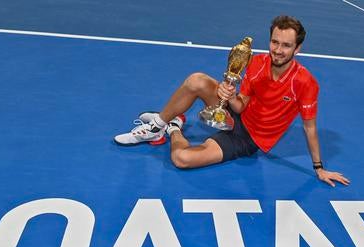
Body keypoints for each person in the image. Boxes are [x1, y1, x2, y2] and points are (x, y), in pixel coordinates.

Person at [114, 15, 350, 187]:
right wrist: (229, 95)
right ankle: (157, 126)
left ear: (297, 49)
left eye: (286, 45)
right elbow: (240, 106)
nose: (278, 50)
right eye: (274, 42)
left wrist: (319, 169)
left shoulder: (305, 83)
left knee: (181, 159)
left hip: (247, 139)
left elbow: (309, 129)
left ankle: (174, 127)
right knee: (197, 80)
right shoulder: (256, 64)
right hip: (236, 115)